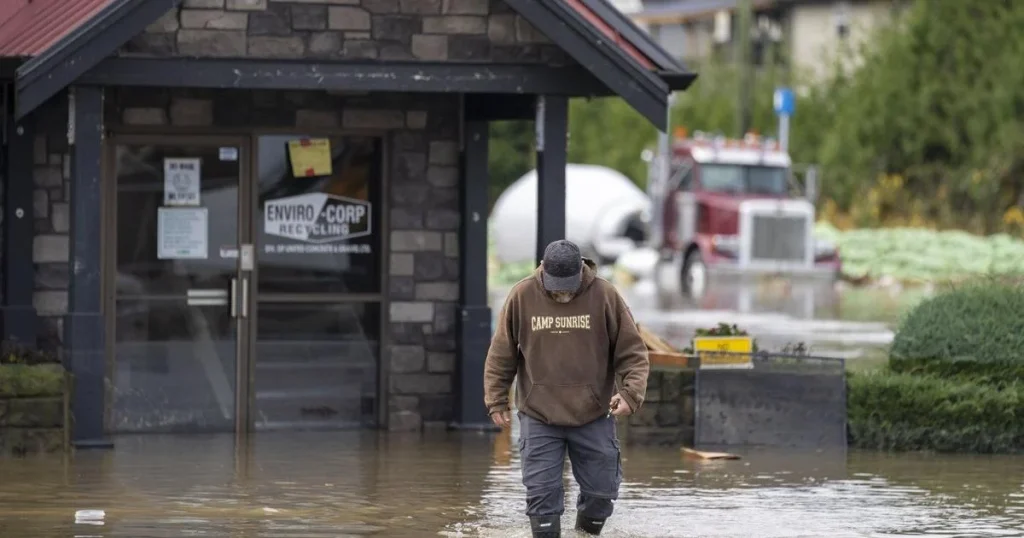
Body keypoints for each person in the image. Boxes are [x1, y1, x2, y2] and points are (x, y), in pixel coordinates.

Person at [483, 240, 650, 537]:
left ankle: (585, 531)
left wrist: (630, 394)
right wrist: (496, 401)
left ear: (581, 273)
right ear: (544, 272)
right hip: (538, 414)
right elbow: (501, 354)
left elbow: (633, 353)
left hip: (594, 413)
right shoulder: (522, 295)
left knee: (601, 495)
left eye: (569, 286)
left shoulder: (605, 295)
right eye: (556, 286)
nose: (563, 293)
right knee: (542, 501)